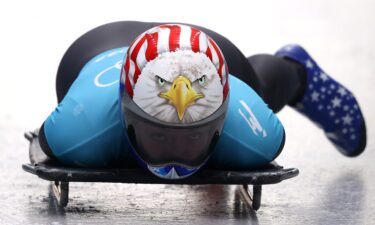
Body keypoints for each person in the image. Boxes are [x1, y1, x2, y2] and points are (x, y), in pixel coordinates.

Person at [37, 21, 366, 179]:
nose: (174, 158)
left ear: (221, 122)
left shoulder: (255, 133)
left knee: (260, 86)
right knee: (256, 85)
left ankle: (297, 73)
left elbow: (42, 146)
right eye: (159, 136)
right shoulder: (78, 128)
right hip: (96, 51)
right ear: (124, 114)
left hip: (204, 58)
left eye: (194, 136)